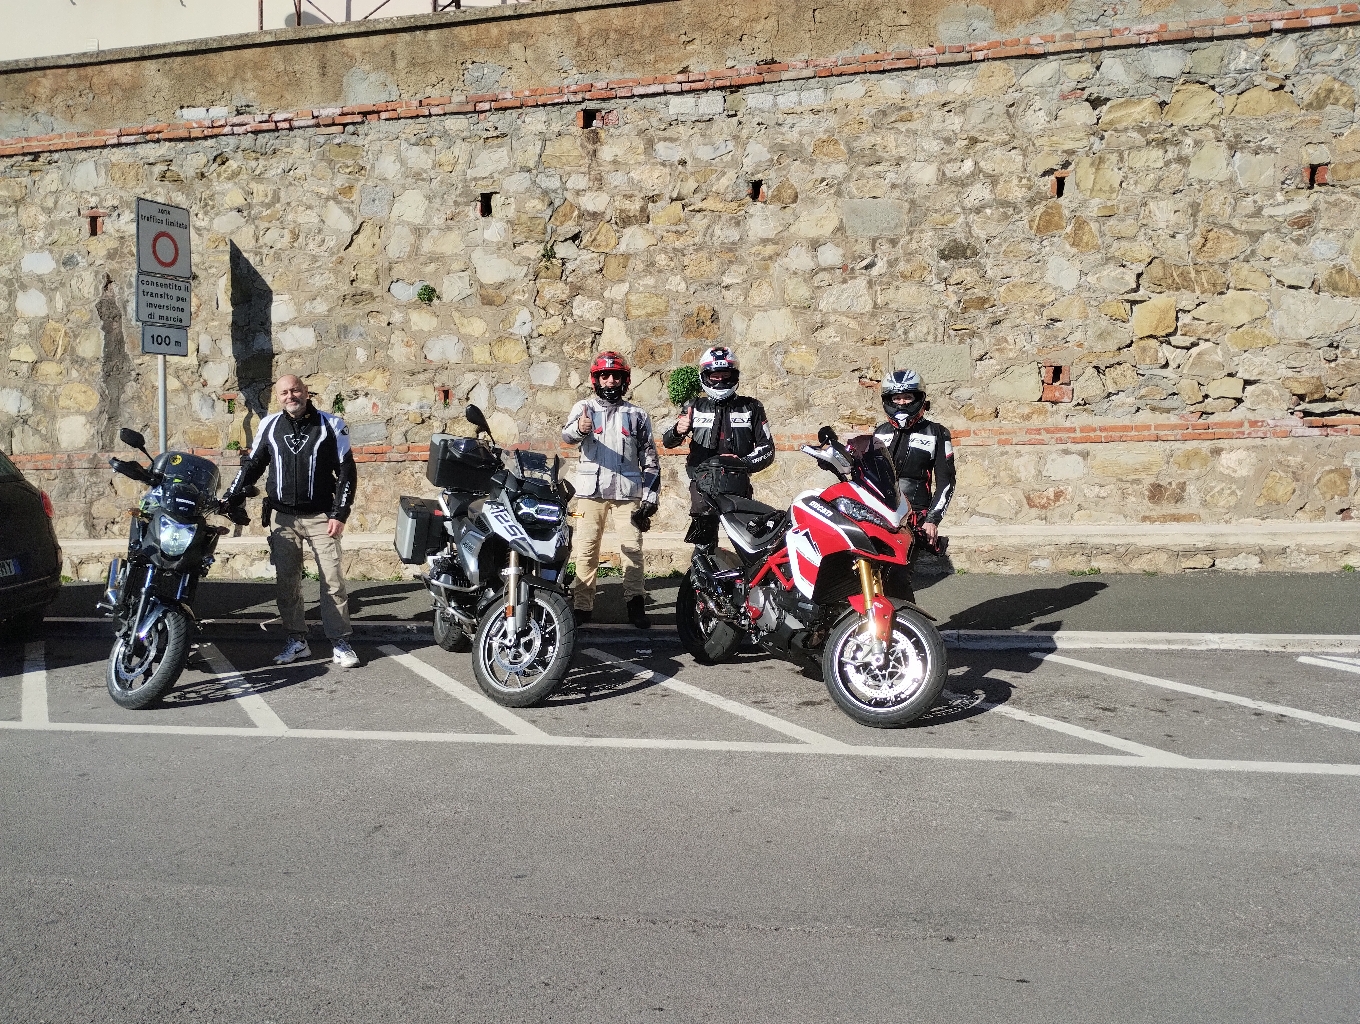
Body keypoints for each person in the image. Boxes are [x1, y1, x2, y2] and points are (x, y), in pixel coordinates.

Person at [224, 374, 360, 667]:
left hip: (322, 516)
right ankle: (297, 640)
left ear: (306, 392)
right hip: (282, 517)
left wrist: (340, 513)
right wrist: (231, 495)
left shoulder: (331, 424)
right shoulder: (269, 425)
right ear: (278, 396)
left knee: (332, 580)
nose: (290, 396)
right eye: (284, 392)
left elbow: (347, 471)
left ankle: (340, 642)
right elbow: (253, 465)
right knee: (287, 582)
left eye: (295, 390)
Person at [562, 352, 661, 629]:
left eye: (616, 376)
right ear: (595, 379)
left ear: (624, 380)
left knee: (632, 550)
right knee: (586, 549)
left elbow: (650, 459)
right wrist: (580, 428)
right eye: (604, 375)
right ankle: (582, 606)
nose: (610, 381)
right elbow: (567, 436)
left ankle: (635, 605)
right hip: (590, 493)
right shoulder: (583, 407)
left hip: (627, 494)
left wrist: (651, 497)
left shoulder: (637, 414)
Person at [662, 346, 774, 553]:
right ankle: (702, 572)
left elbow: (767, 449)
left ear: (734, 375)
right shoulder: (694, 406)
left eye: (725, 375)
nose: (720, 381)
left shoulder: (752, 407)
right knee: (703, 544)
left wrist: (743, 463)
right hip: (702, 485)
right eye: (715, 376)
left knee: (748, 540)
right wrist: (678, 430)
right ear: (705, 377)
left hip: (737, 481)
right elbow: (668, 442)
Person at [872, 369, 955, 599]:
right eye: (896, 398)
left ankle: (905, 619)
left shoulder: (937, 432)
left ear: (918, 399)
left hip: (912, 519)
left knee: (897, 578)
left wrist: (932, 520)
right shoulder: (879, 432)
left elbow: (946, 481)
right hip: (878, 515)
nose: (901, 403)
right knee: (868, 574)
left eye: (907, 397)